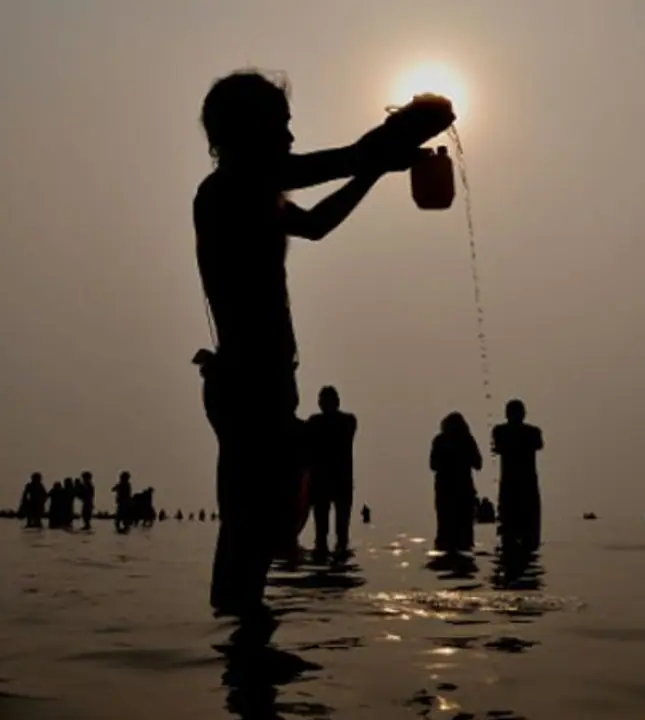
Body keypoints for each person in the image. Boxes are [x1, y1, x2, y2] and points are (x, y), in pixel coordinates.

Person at [192, 69, 453, 616]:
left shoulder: (255, 194)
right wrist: (399, 132)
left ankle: (245, 658)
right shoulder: (227, 192)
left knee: (257, 537)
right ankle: (245, 667)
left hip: (264, 382)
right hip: (248, 383)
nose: (289, 137)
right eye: (280, 127)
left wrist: (376, 169)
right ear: (245, 131)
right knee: (248, 537)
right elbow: (344, 158)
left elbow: (315, 224)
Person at [305, 386, 358, 554]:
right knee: (337, 535)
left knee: (326, 535)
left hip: (326, 481)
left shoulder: (316, 423)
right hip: (337, 480)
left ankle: (325, 558)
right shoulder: (348, 421)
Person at [491, 399, 545, 549]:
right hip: (526, 487)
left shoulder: (500, 431)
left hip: (512, 486)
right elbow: (538, 445)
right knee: (529, 534)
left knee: (509, 534)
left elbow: (497, 447)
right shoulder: (532, 432)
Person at [430, 412, 482, 552]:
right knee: (464, 531)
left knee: (445, 529)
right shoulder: (466, 440)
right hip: (463, 490)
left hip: (445, 491)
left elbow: (433, 465)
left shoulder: (440, 440)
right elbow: (478, 464)